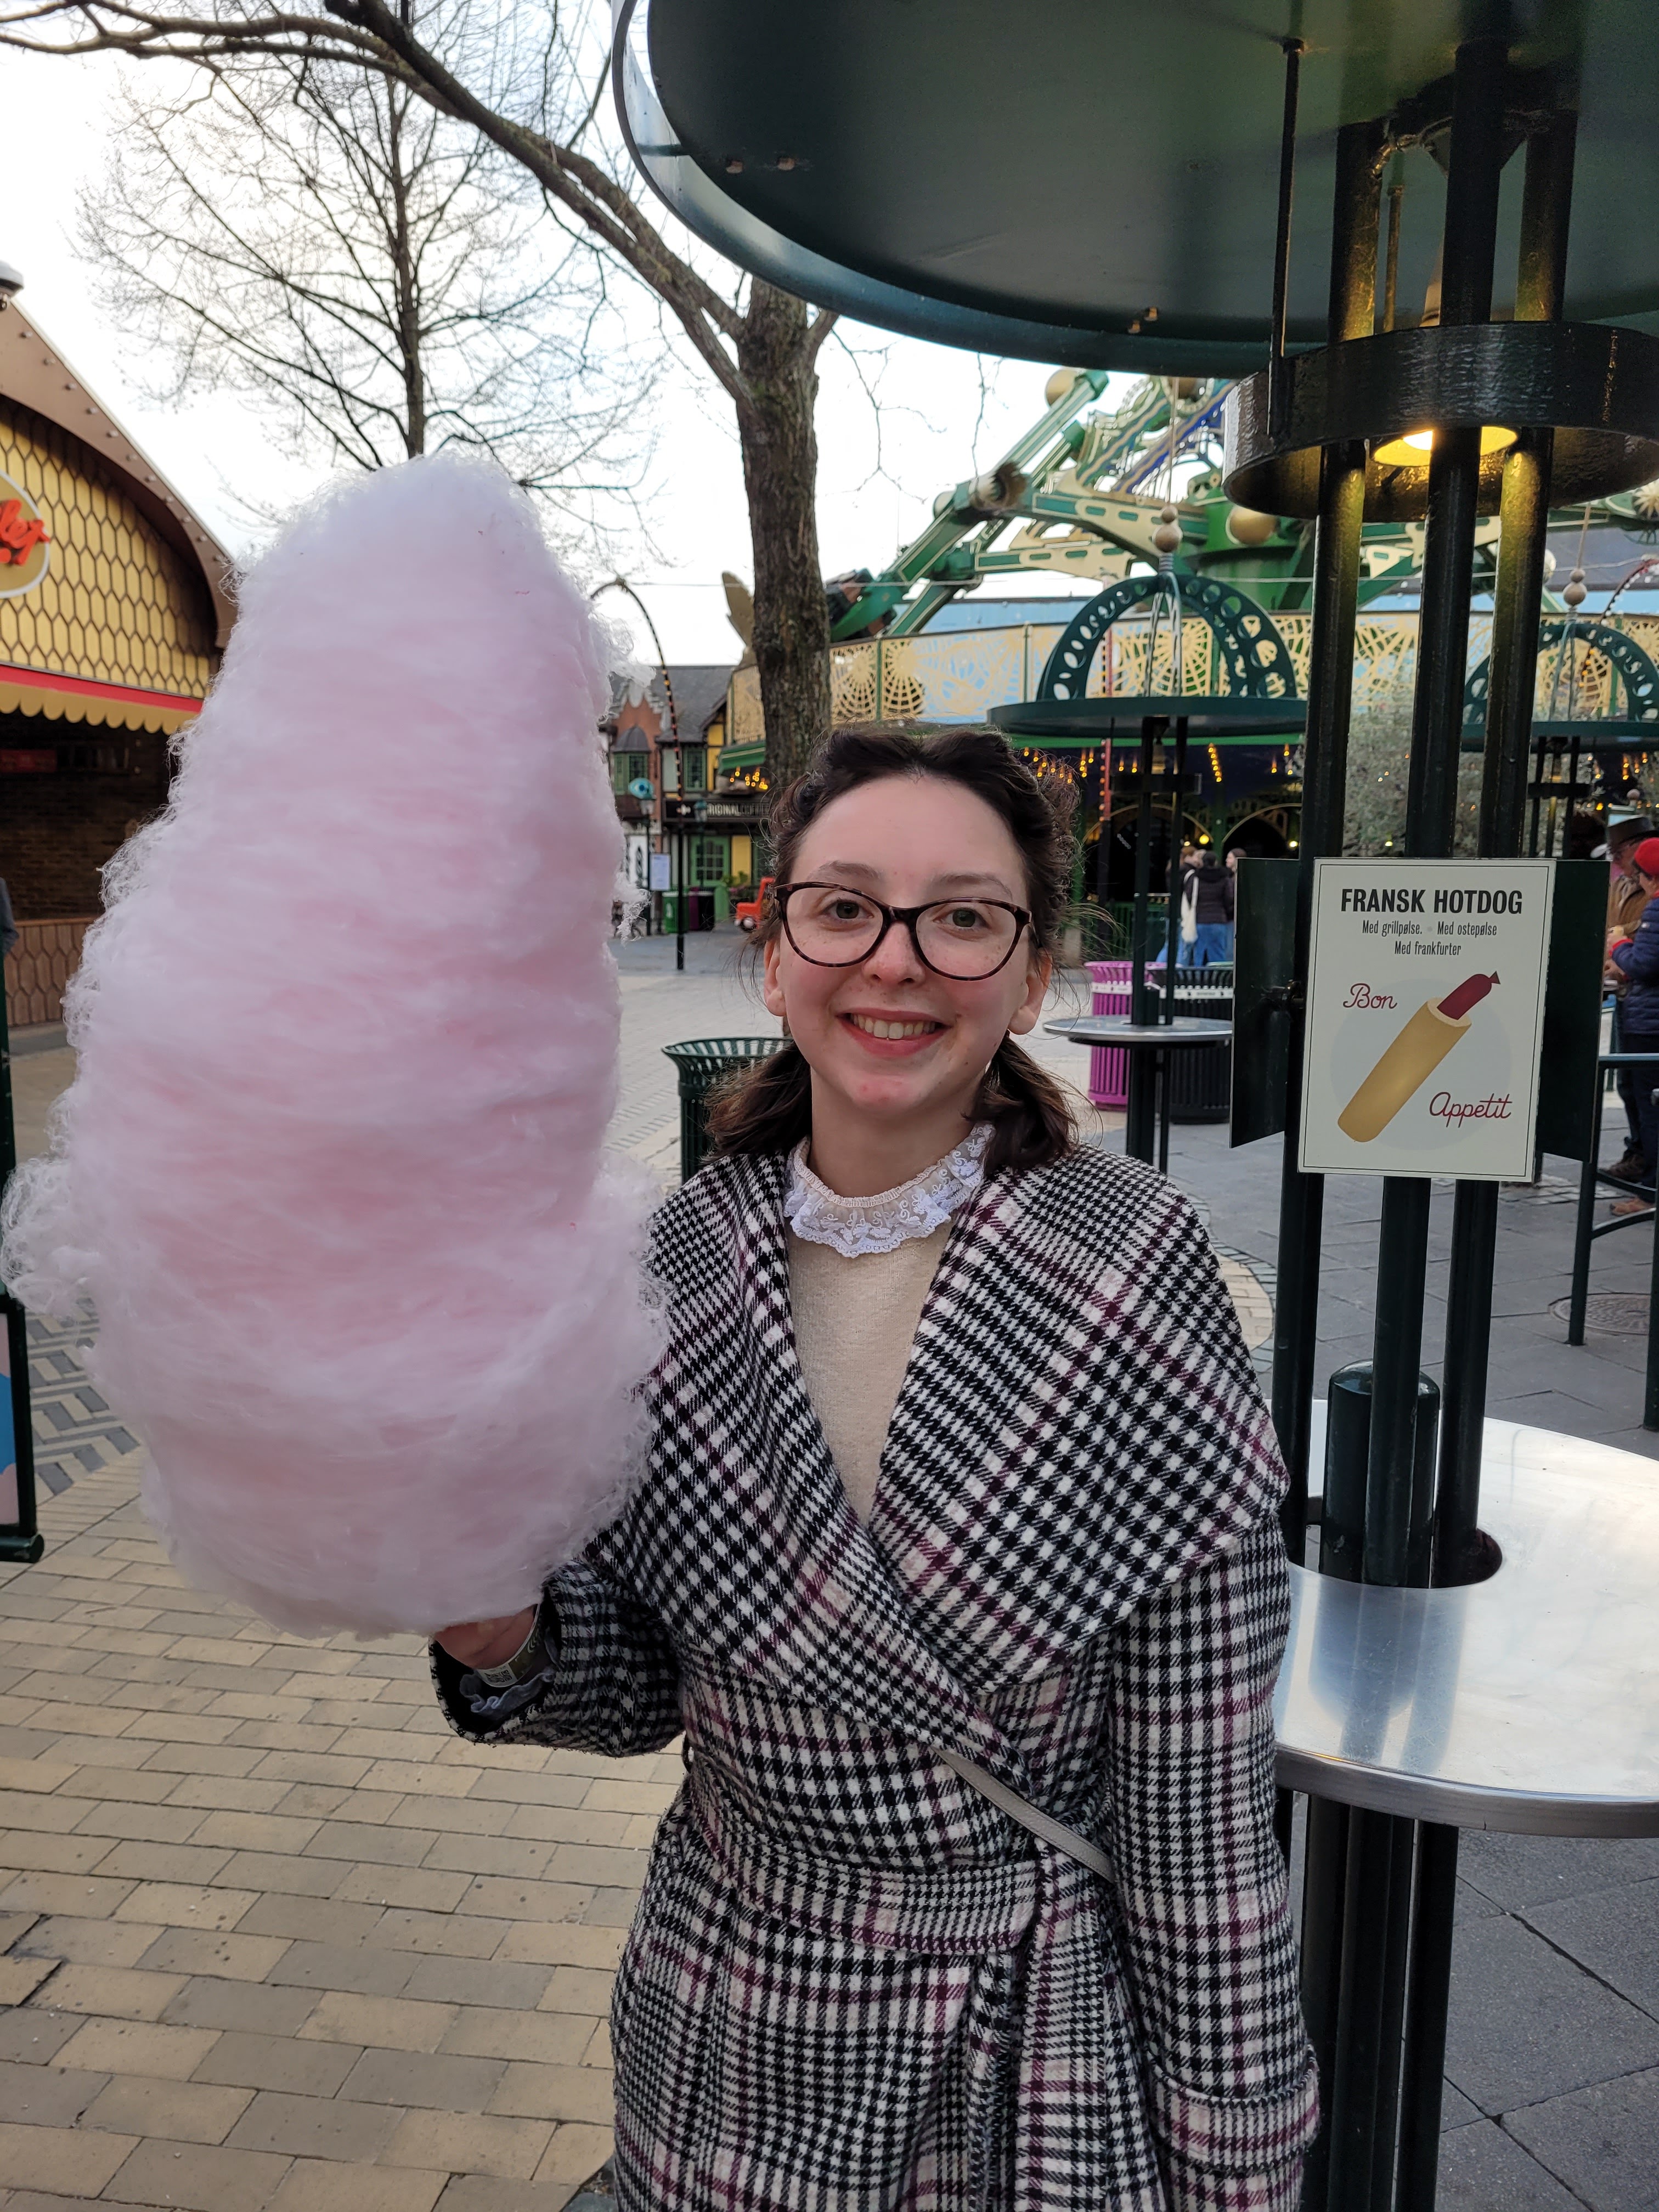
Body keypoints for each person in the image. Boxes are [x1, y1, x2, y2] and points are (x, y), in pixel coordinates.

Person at [431, 726, 1317, 2212]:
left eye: (962, 916)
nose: (895, 960)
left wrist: (1236, 2158)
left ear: (1031, 977)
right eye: (844, 907)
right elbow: (649, 1686)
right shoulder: (665, 1266)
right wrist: (502, 1630)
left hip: (1020, 2045)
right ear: (776, 954)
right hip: (728, 2022)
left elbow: (1199, 1804)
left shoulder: (1130, 1267)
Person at [1606, 832, 1659, 1213]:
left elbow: (1646, 964)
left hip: (1649, 1023)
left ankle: (1650, 1192)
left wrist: (1619, 946)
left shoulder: (1656, 909)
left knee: (1650, 1106)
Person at [1190, 845, 1236, 967]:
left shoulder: (1197, 877)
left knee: (1199, 952)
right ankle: (1217, 976)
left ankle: (1199, 976)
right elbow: (1229, 898)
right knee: (1218, 952)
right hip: (1219, 919)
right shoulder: (1224, 878)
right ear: (1215, 862)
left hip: (1201, 918)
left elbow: (1190, 895)